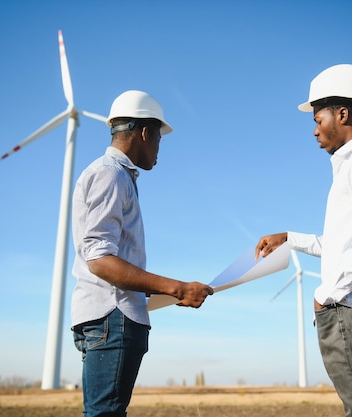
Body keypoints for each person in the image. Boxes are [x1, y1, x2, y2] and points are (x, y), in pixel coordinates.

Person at [255, 64, 352, 417]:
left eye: (317, 118)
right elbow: (345, 245)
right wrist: (290, 239)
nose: (314, 130)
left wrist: (327, 294)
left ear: (342, 113)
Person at [70, 90, 214, 417]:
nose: (160, 148)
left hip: (109, 318)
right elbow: (101, 261)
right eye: (160, 139)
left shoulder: (117, 175)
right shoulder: (110, 174)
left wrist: (171, 291)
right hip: (113, 316)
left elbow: (112, 259)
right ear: (145, 132)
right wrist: (177, 288)